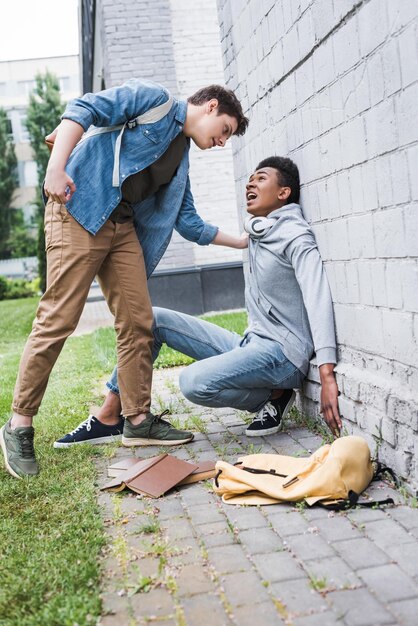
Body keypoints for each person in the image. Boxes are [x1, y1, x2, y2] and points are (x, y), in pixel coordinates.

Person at [0, 78, 249, 479]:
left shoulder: (181, 157)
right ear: (211, 107)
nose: (222, 142)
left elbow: (188, 221)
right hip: (78, 210)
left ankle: (136, 420)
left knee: (138, 321)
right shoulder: (155, 101)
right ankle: (18, 425)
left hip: (121, 228)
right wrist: (56, 168)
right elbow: (83, 109)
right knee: (58, 319)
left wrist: (240, 243)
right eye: (224, 132)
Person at [55, 156, 341, 449]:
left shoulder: (295, 237)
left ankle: (271, 397)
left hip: (283, 355)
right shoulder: (260, 231)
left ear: (284, 193)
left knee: (193, 383)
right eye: (251, 177)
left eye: (261, 178)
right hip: (251, 344)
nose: (250, 183)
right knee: (151, 319)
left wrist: (326, 373)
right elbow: (192, 225)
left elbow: (317, 297)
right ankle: (110, 415)